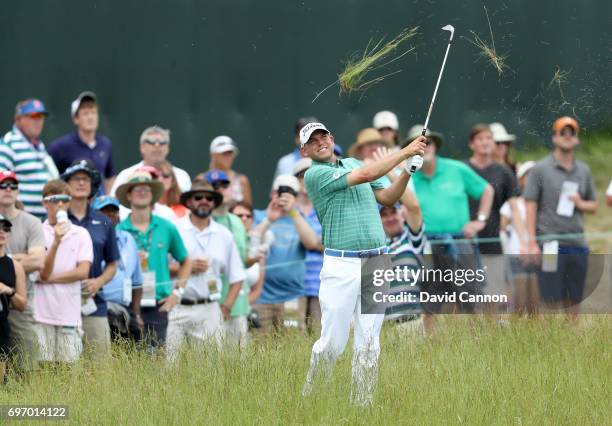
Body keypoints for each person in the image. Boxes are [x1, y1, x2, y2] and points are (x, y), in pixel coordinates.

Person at [300, 122, 426, 405]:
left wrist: (408, 170)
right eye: (313, 140)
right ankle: (312, 402)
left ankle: (362, 406)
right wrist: (406, 151)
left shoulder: (354, 162)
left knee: (370, 342)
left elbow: (389, 197)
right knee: (333, 340)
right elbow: (368, 173)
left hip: (377, 261)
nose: (320, 142)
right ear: (304, 150)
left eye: (323, 136)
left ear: (331, 138)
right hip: (340, 264)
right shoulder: (314, 174)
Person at [409, 125, 494, 317]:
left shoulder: (456, 168)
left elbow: (487, 190)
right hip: (426, 245)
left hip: (460, 242)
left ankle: (477, 343)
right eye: (419, 143)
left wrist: (480, 220)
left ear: (435, 146)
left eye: (428, 142)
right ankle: (430, 345)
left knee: (471, 296)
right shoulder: (408, 176)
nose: (425, 146)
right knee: (429, 300)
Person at [524, 116, 597, 321]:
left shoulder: (584, 170)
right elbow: (530, 205)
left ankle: (571, 339)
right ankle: (549, 341)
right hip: (549, 243)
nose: (567, 136)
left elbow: (593, 205)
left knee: (574, 296)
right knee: (549, 295)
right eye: (562, 132)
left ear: (576, 139)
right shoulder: (540, 168)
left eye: (571, 133)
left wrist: (580, 203)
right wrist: (531, 242)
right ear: (554, 137)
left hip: (577, 243)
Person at [168, 180, 244, 359]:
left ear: (214, 203)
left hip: (209, 306)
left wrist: (226, 307)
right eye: (198, 197)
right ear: (189, 202)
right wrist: (186, 267)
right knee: (168, 367)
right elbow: (159, 268)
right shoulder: (174, 228)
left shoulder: (224, 234)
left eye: (209, 198)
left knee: (210, 371)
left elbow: (237, 276)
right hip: (177, 304)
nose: (204, 201)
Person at [116, 171, 191, 347]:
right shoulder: (119, 230)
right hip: (127, 303)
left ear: (153, 195)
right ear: (128, 195)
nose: (142, 192)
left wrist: (177, 293)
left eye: (146, 189)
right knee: (128, 361)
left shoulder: (166, 227)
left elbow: (186, 260)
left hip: (158, 304)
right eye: (137, 189)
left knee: (157, 362)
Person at [61, 160, 119, 357]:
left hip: (94, 303)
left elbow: (112, 264)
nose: (81, 183)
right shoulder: (54, 219)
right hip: (59, 303)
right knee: (63, 370)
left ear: (92, 185)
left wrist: (99, 281)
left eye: (85, 179)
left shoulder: (103, 221)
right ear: (66, 185)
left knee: (100, 370)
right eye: (75, 179)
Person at [252, 175, 319, 334]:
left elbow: (311, 243)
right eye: (280, 191)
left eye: (290, 193)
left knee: (292, 346)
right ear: (272, 193)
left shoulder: (299, 219)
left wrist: (293, 213)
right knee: (261, 349)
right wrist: (269, 219)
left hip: (293, 296)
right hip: (262, 297)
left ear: (296, 197)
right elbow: (252, 243)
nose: (283, 196)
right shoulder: (259, 216)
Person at [36, 180, 93, 364]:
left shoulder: (81, 233)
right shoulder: (37, 231)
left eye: (64, 199)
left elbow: (82, 271)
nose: (60, 204)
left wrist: (49, 279)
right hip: (41, 314)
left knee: (69, 372)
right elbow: (40, 272)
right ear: (44, 203)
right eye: (54, 199)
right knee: (43, 370)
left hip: (69, 313)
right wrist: (56, 242)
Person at [0, 171, 45, 373]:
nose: (8, 189)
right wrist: (22, 255)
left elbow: (37, 260)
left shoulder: (31, 222)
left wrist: (9, 260)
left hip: (18, 305)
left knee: (26, 370)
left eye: (13, 186)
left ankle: (23, 406)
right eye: (3, 185)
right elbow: (31, 257)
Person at [204, 170, 252, 344]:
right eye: (214, 186)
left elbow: (244, 261)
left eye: (224, 185)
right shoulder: (204, 222)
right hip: (212, 304)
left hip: (239, 305)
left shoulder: (238, 221)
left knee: (240, 364)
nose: (220, 190)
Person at [92, 196, 144, 341]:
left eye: (113, 211)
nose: (110, 215)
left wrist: (137, 314)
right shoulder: (89, 239)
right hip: (99, 307)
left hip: (125, 309)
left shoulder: (128, 239)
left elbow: (137, 282)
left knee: (135, 354)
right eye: (104, 212)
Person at [0, 99, 59, 219]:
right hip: (18, 223)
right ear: (18, 119)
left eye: (41, 116)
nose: (38, 121)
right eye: (33, 116)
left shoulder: (39, 146)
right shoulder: (8, 144)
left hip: (42, 223)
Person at [48, 91, 116, 194]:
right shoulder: (61, 146)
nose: (90, 117)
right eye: (85, 113)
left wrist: (107, 199)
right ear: (76, 119)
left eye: (93, 112)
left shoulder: (105, 144)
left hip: (98, 207)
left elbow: (109, 176)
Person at [499, 161, 540, 316]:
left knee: (535, 302)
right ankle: (515, 333)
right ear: (520, 180)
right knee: (520, 300)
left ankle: (535, 336)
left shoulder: (541, 204)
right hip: (516, 255)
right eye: (528, 175)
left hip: (536, 255)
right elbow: (502, 229)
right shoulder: (512, 204)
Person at [110, 126, 191, 195]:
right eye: (151, 142)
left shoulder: (181, 176)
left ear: (167, 148)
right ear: (142, 147)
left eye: (162, 142)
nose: (157, 145)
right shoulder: (127, 175)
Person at [293, 158, 325, 333]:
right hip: (292, 286)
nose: (305, 180)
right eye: (301, 176)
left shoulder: (325, 207)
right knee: (292, 340)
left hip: (320, 284)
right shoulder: (285, 210)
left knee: (318, 335)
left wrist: (313, 244)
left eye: (310, 175)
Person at [0, 214, 27, 379]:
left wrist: (8, 290)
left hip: (1, 325)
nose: (2, 232)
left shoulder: (15, 266)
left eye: (6, 228)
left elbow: (22, 304)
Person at [195, 136, 252, 205]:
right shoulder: (201, 178)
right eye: (224, 153)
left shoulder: (242, 180)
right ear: (213, 155)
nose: (228, 157)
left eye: (230, 153)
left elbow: (248, 209)